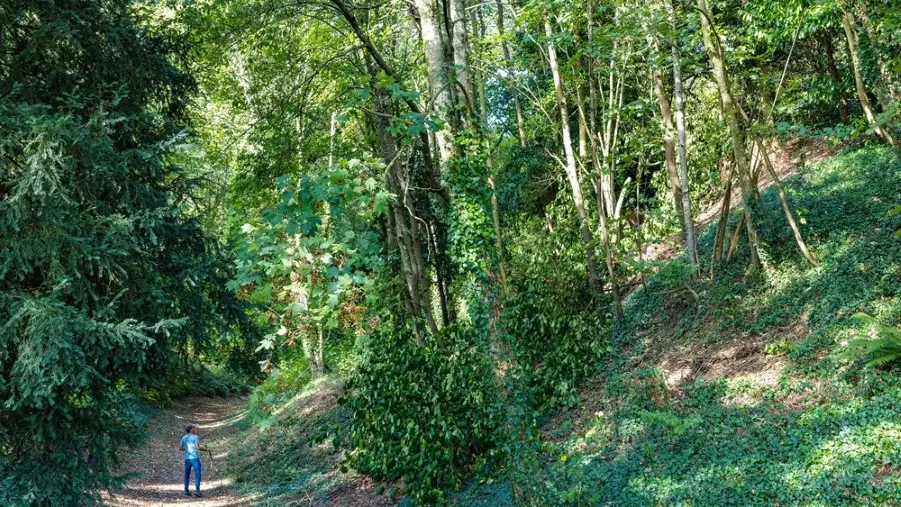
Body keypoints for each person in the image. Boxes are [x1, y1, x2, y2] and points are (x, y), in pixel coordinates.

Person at [179, 424, 209, 497]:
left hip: (187, 459)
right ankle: (197, 491)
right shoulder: (195, 437)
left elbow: (180, 448)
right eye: (194, 428)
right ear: (191, 429)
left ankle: (186, 491)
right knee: (197, 474)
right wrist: (206, 450)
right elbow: (198, 448)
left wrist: (187, 450)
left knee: (187, 475)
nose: (195, 429)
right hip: (195, 458)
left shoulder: (184, 438)